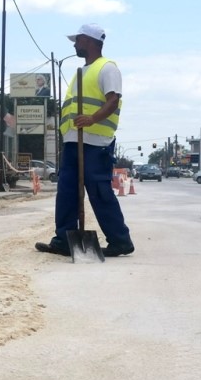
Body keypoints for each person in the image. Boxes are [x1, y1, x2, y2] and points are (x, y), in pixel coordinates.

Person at [35, 24, 134, 258]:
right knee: (67, 190)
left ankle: (120, 241)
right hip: (73, 141)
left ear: (88, 41)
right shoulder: (82, 72)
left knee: (99, 191)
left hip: (95, 142)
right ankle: (64, 239)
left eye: (77, 40)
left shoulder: (107, 68)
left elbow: (112, 101)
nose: (74, 44)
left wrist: (92, 119)